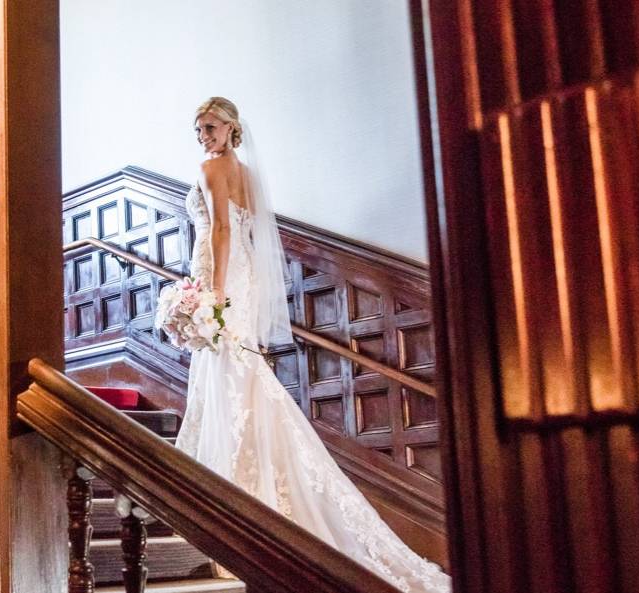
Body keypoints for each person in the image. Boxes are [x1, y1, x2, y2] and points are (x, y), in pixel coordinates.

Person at [171, 97, 451, 593]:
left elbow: (217, 229)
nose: (202, 137)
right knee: (240, 377)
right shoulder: (249, 174)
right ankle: (246, 486)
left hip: (221, 276)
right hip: (243, 279)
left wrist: (209, 289)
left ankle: (233, 496)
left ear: (230, 127)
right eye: (198, 130)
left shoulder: (212, 167)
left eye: (209, 127)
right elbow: (251, 234)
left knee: (230, 376)